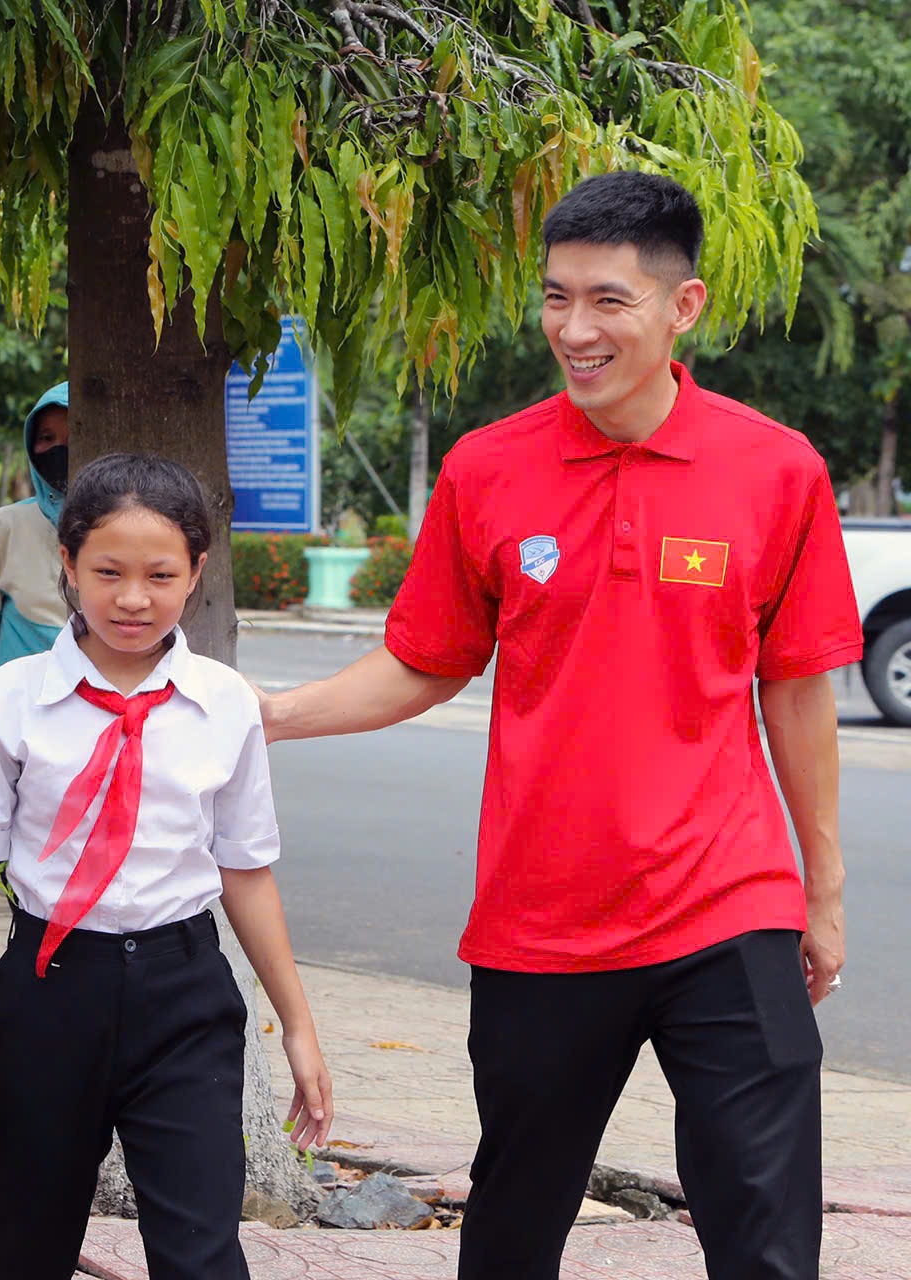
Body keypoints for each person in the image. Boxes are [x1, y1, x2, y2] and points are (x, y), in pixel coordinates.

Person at [257, 172, 860, 1280]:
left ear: (684, 308)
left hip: (729, 905)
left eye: (608, 302)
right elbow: (423, 662)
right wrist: (267, 716)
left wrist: (818, 888)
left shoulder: (776, 471)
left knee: (768, 1225)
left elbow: (797, 686)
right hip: (544, 918)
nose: (574, 330)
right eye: (555, 298)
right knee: (515, 1223)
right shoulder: (488, 468)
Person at [0, 454, 333, 1280]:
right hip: (50, 990)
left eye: (160, 574)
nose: (133, 598)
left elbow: (247, 872)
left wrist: (298, 1026)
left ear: (197, 573)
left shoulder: (225, 705)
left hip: (184, 997)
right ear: (67, 565)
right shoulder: (13, 697)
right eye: (107, 572)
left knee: (200, 1249)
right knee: (25, 1240)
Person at [0, 380, 72, 684]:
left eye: (75, 437)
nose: (59, 449)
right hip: (22, 718)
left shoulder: (125, 526)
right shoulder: (1, 526)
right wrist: (2, 702)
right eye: (47, 437)